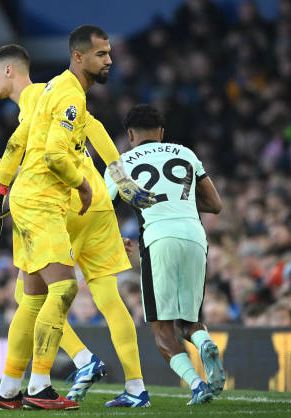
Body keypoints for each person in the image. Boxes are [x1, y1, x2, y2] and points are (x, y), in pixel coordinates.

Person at [0, 26, 154, 411]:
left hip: (65, 202)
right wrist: (120, 179)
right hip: (96, 206)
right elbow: (81, 134)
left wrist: (5, 192)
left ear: (10, 72)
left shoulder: (42, 93)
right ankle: (136, 387)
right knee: (106, 296)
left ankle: (67, 367)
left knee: (32, 294)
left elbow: (54, 149)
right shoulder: (55, 95)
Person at [105, 104, 225, 405]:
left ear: (130, 135)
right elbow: (215, 203)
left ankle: (197, 384)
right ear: (161, 133)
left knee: (161, 327)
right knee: (190, 319)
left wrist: (113, 238)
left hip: (157, 239)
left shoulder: (120, 163)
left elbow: (102, 208)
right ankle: (204, 341)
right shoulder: (185, 153)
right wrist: (178, 204)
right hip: (196, 236)